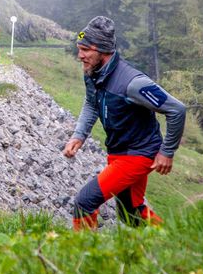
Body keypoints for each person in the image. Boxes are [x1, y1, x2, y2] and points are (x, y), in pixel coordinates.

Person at [63, 16, 186, 230]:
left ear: (103, 50)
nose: (80, 55)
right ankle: (175, 242)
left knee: (84, 202)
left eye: (86, 50)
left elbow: (176, 110)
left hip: (137, 154)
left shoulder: (133, 83)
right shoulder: (93, 73)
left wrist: (167, 151)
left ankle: (81, 258)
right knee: (130, 212)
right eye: (79, 48)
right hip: (119, 151)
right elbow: (91, 103)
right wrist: (79, 135)